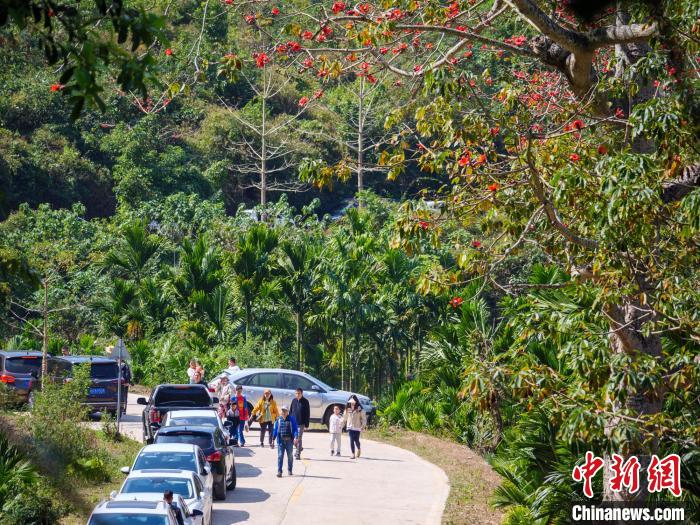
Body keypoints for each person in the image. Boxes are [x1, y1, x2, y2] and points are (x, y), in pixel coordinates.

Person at [272, 406, 298, 477]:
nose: (283, 412)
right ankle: (279, 471)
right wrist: (273, 439)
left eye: (285, 411)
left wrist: (296, 437)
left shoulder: (292, 419)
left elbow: (295, 429)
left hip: (289, 441)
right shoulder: (278, 420)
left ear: (288, 412)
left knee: (290, 456)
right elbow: (275, 430)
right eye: (282, 411)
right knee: (280, 456)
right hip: (281, 442)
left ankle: (290, 469)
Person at [289, 387, 310, 460]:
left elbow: (307, 414)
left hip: (301, 423)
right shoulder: (293, 401)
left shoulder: (305, 402)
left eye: (299, 393)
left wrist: (307, 424)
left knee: (298, 438)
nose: (297, 395)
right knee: (292, 439)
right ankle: (299, 448)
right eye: (296, 393)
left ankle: (298, 454)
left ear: (302, 393)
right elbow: (291, 411)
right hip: (293, 423)